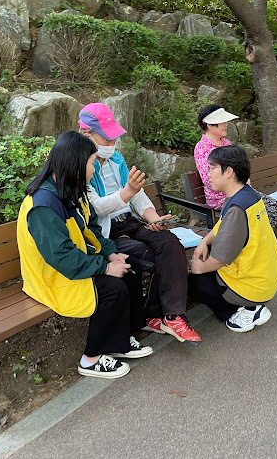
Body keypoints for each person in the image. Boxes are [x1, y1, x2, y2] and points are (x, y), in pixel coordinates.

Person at [16, 131, 152, 380]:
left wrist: (111, 254)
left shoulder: (70, 191)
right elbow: (61, 258)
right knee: (112, 288)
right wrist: (105, 268)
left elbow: (91, 229)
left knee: (129, 269)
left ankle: (118, 342)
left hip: (73, 262)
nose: (94, 169)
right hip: (52, 277)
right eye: (91, 163)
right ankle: (90, 359)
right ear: (76, 165)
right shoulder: (43, 205)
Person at [78, 103, 201, 345]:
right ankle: (151, 316)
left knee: (169, 242)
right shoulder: (80, 164)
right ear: (86, 134)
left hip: (131, 221)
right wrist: (127, 192)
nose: (112, 143)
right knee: (150, 257)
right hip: (107, 232)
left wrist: (152, 217)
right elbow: (97, 207)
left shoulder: (116, 159)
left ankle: (173, 316)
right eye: (106, 138)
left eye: (114, 137)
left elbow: (137, 194)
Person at [189, 145, 277, 332]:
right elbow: (221, 224)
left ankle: (247, 310)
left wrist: (199, 268)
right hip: (267, 276)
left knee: (196, 283)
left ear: (229, 172)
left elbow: (220, 258)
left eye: (212, 168)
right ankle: (250, 304)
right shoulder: (248, 195)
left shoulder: (237, 208)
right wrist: (204, 241)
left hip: (253, 286)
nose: (207, 174)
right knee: (207, 266)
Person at [194, 104, 277, 227]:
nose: (226, 124)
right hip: (222, 198)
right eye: (222, 121)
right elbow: (209, 180)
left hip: (241, 190)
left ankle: (258, 237)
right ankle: (253, 237)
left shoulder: (226, 143)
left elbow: (240, 166)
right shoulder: (202, 148)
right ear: (210, 125)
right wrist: (239, 185)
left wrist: (245, 183)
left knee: (274, 207)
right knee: (263, 211)